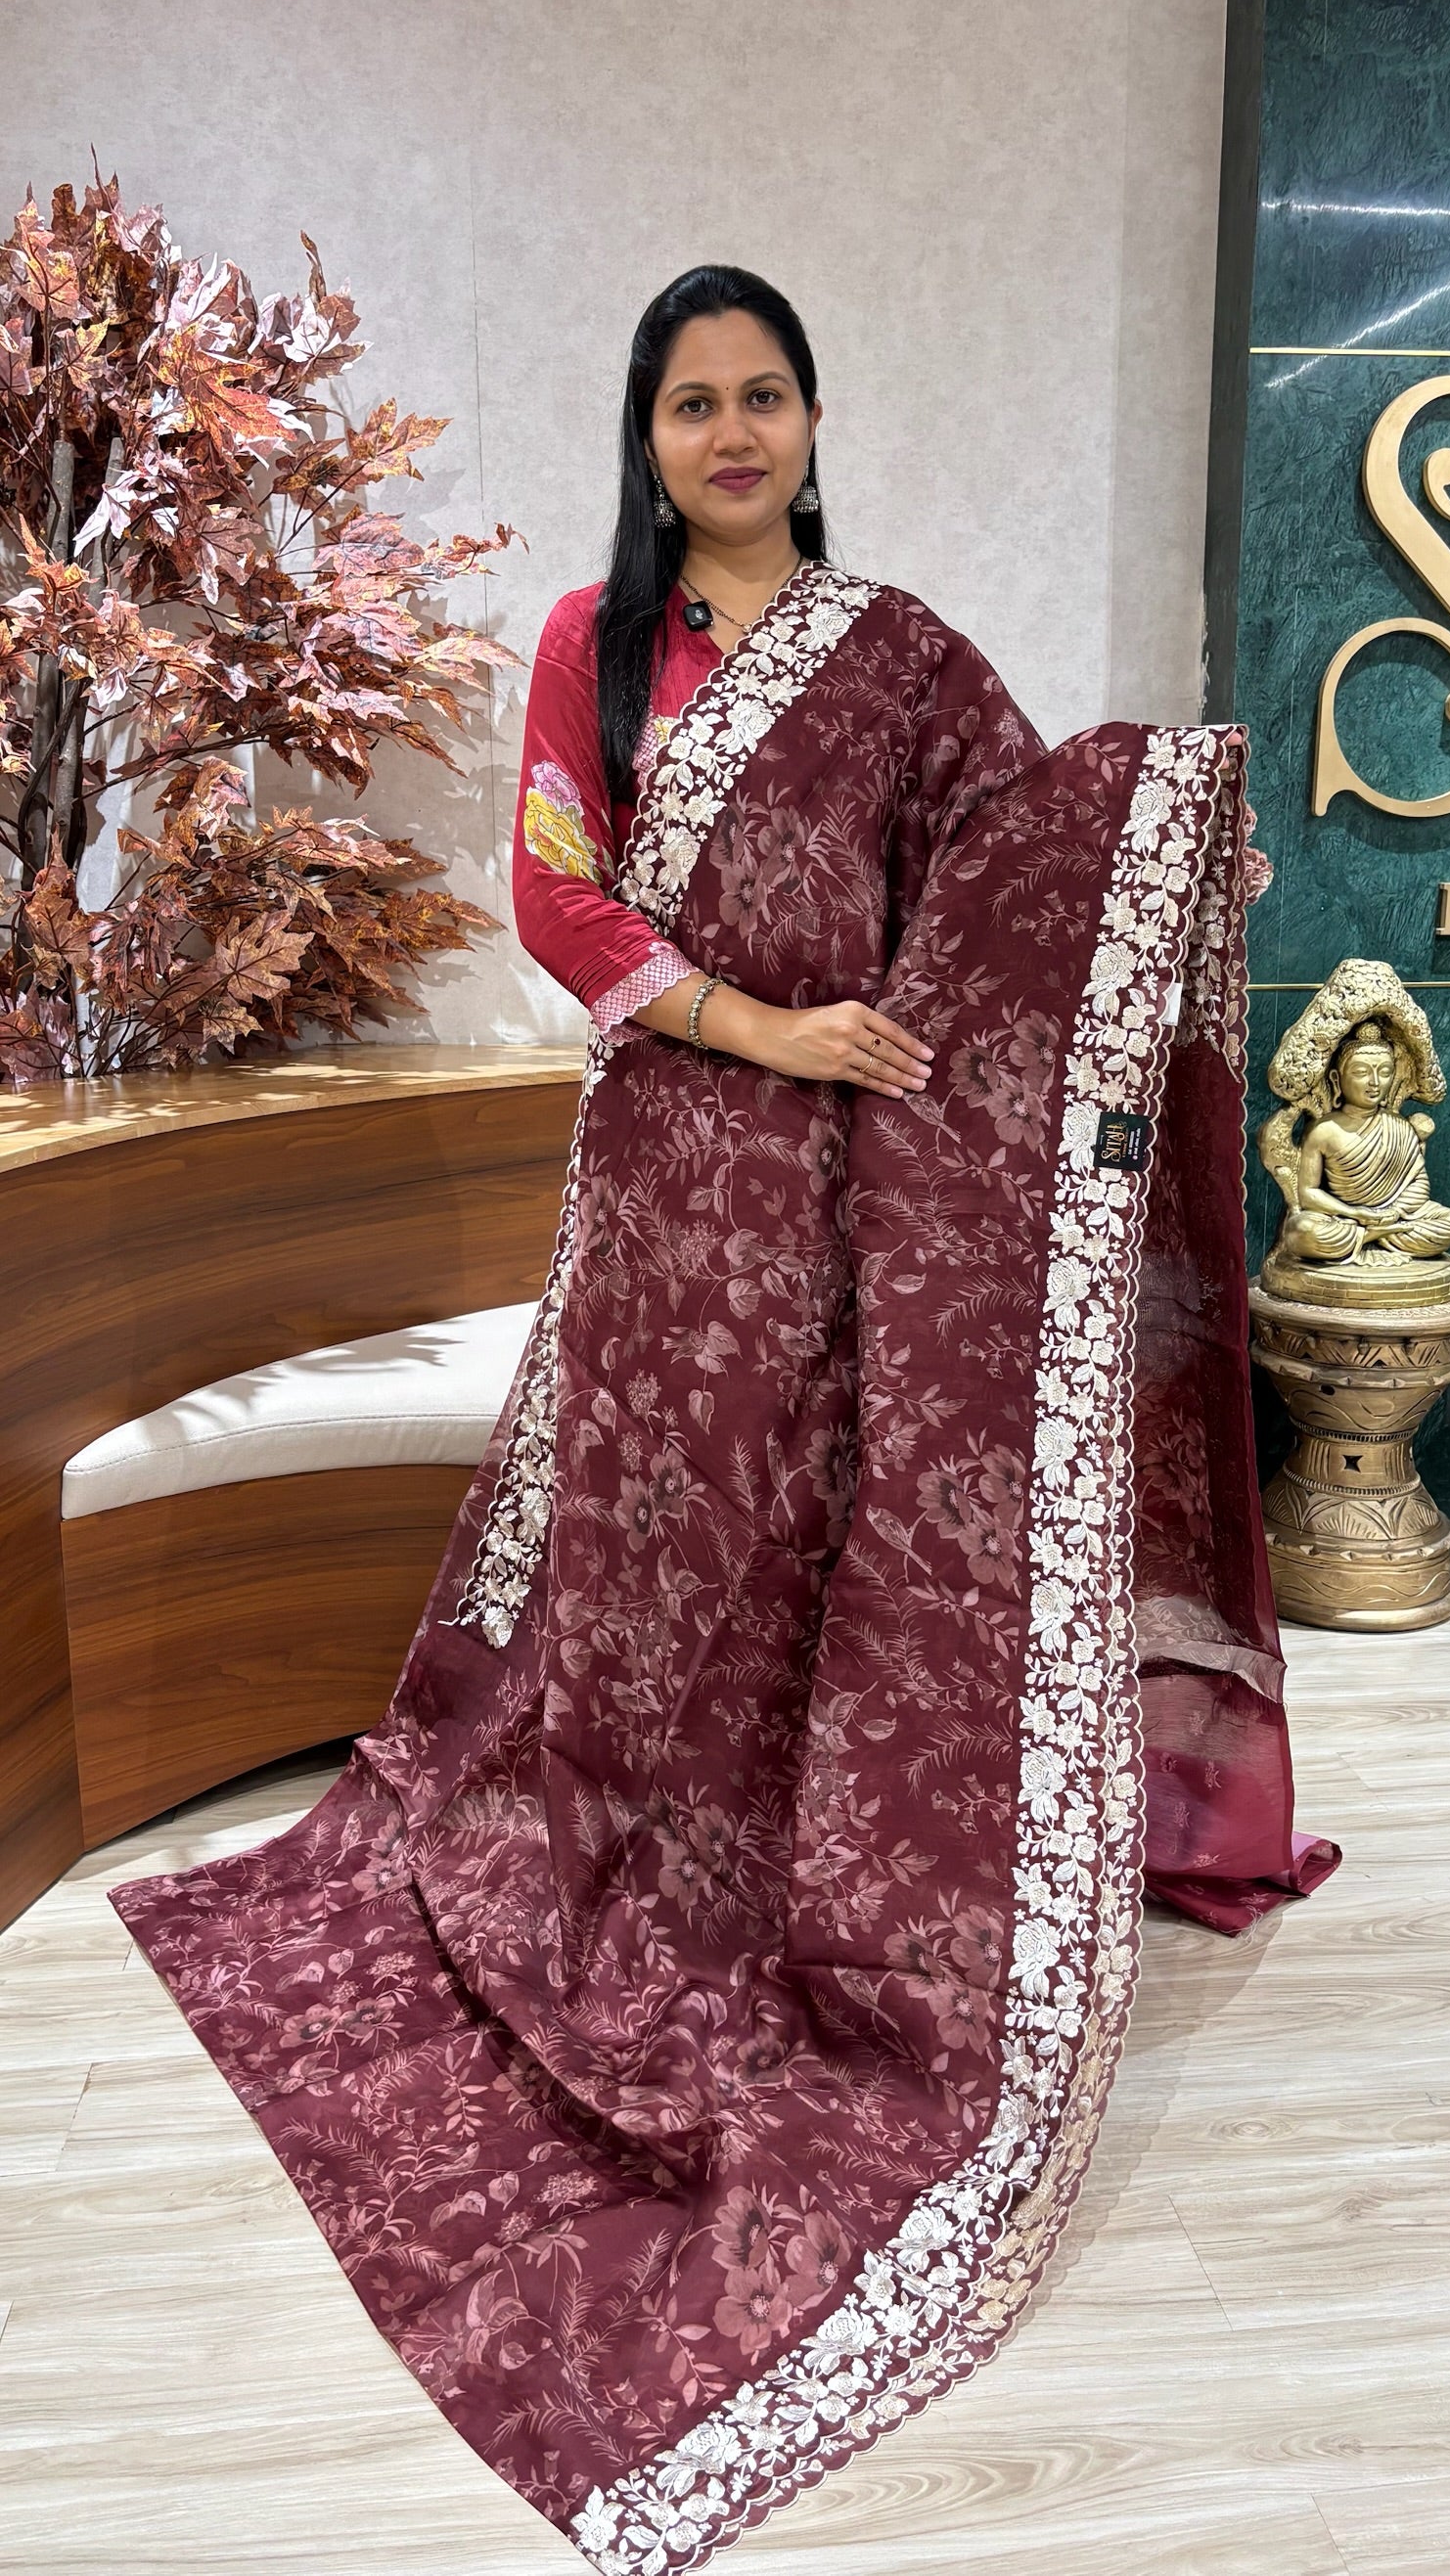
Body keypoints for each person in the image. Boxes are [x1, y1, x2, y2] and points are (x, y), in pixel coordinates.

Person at [113, 265, 1336, 2569]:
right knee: (649, 1545)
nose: (735, 431)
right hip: (671, 1174)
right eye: (696, 401)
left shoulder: (900, 658)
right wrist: (765, 1030)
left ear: (812, 419)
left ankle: (780, 1900)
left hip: (847, 1208)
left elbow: (1014, 870)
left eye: (767, 394)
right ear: (649, 434)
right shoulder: (601, 643)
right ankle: (620, 1869)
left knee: (790, 1542)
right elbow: (551, 895)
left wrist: (1168, 843)